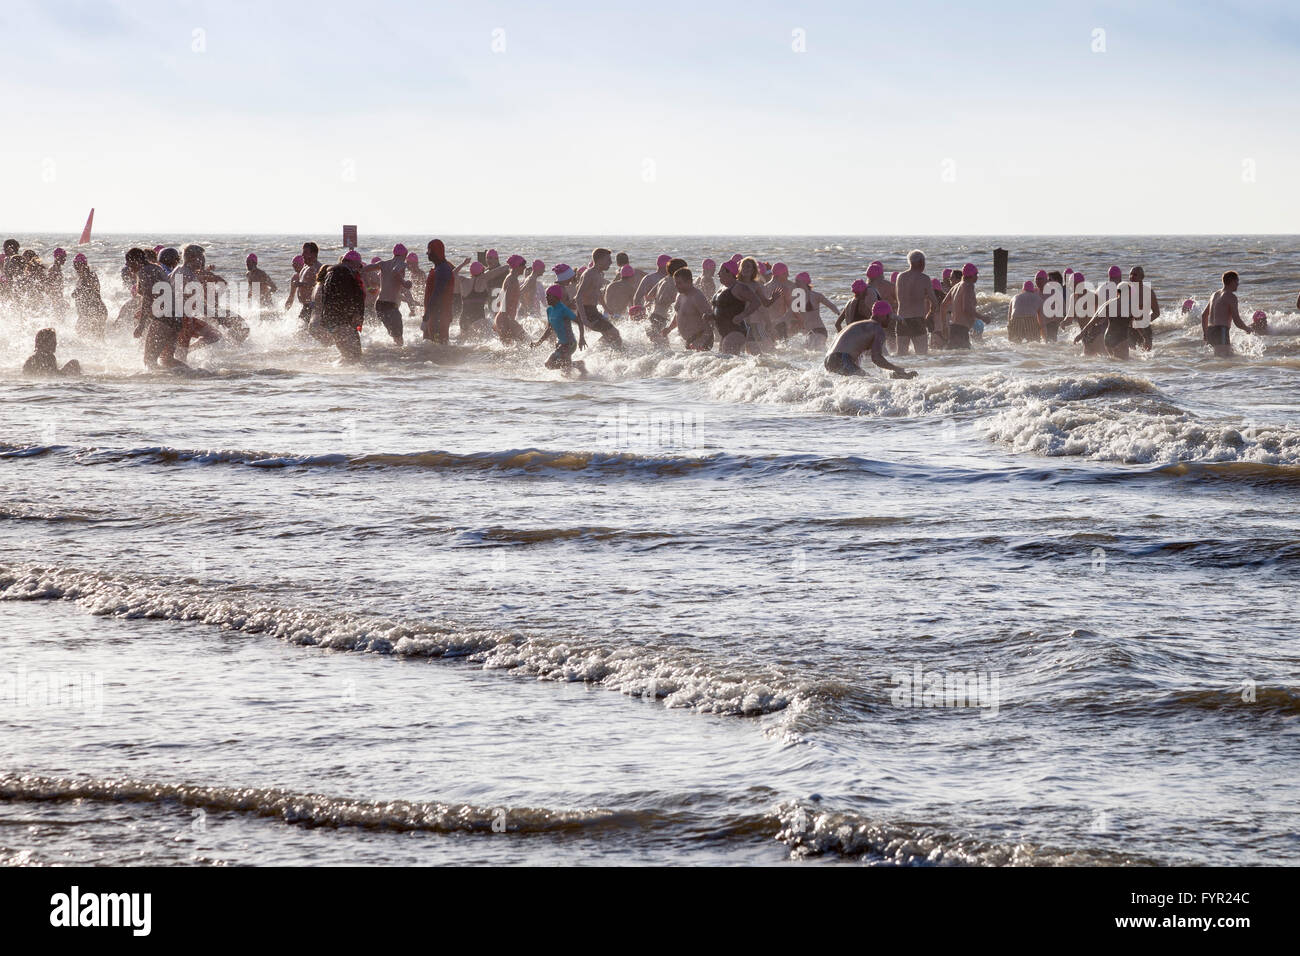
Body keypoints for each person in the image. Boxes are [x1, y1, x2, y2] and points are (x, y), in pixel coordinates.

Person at [824, 301, 916, 378]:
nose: (890, 320)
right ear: (883, 315)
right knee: (867, 381)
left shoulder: (860, 324)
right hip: (842, 359)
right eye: (889, 316)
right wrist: (897, 369)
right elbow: (876, 358)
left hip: (828, 359)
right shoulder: (877, 328)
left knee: (860, 382)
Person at [315, 251, 366, 362]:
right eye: (359, 265)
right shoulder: (344, 273)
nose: (359, 268)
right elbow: (349, 297)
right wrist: (355, 315)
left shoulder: (331, 273)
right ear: (352, 263)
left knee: (348, 354)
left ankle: (339, 376)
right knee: (354, 356)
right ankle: (346, 376)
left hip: (332, 321)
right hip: (342, 321)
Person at [532, 284, 587, 375]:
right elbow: (549, 328)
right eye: (546, 295)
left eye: (548, 296)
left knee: (558, 366)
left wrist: (582, 338)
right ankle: (577, 366)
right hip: (560, 344)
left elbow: (579, 322)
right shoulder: (549, 310)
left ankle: (578, 366)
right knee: (550, 365)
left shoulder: (564, 309)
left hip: (569, 344)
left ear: (556, 297)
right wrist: (539, 342)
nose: (546, 298)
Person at [574, 248, 624, 347]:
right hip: (587, 312)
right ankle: (608, 353)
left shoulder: (599, 274)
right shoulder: (589, 274)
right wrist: (584, 320)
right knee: (615, 334)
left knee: (609, 336)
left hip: (593, 311)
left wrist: (607, 309)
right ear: (600, 260)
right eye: (608, 260)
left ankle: (597, 353)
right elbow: (578, 297)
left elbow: (597, 293)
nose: (611, 262)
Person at [362, 244, 409, 344]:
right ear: (405, 254)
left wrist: (369, 287)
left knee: (394, 335)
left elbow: (363, 270)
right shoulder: (402, 263)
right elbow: (395, 271)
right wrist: (404, 283)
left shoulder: (383, 264)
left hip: (379, 305)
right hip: (390, 305)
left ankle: (389, 355)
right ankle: (398, 357)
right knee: (399, 339)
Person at [895, 250, 939, 355]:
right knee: (922, 354)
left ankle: (901, 371)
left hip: (901, 319)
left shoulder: (900, 277)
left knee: (901, 355)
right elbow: (935, 302)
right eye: (924, 262)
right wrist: (930, 314)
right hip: (917, 319)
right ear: (920, 262)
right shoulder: (924, 278)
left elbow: (898, 299)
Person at [1200, 270, 1252, 357]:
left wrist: (1205, 333)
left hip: (1210, 331)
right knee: (1224, 360)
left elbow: (1204, 315)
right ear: (1232, 281)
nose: (1238, 284)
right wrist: (1247, 329)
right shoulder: (1231, 297)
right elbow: (1237, 320)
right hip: (1221, 330)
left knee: (1223, 359)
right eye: (1237, 281)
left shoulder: (1214, 295)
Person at [664, 268, 715, 350]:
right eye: (675, 283)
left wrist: (702, 340)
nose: (676, 286)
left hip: (701, 338)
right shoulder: (680, 295)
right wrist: (669, 328)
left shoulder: (697, 296)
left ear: (689, 281)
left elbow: (710, 320)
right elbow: (679, 314)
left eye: (679, 283)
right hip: (690, 340)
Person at [422, 239, 457, 344]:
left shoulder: (443, 269)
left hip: (439, 316)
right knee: (429, 347)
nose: (427, 253)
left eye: (429, 250)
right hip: (432, 315)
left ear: (435, 251)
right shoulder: (437, 267)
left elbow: (437, 294)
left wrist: (426, 317)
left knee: (439, 348)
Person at [792, 271, 839, 347]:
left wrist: (841, 316)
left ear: (804, 282)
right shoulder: (796, 298)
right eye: (795, 281)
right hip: (809, 333)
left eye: (797, 281)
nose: (795, 284)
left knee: (814, 353)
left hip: (819, 330)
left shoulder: (816, 296)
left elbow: (832, 306)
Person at [711, 261, 749, 355]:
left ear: (729, 273)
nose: (718, 274)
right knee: (724, 363)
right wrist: (710, 316)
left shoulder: (738, 287)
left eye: (721, 271)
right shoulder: (722, 288)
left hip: (736, 331)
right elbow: (720, 309)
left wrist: (742, 315)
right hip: (725, 333)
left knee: (729, 360)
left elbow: (756, 302)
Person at [492, 254, 531, 344]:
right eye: (523, 265)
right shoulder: (513, 280)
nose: (525, 267)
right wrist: (506, 322)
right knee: (527, 343)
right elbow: (505, 301)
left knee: (510, 349)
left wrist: (496, 319)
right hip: (506, 319)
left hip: (502, 319)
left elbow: (498, 300)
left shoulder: (509, 277)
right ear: (517, 266)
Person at [942, 263, 980, 349]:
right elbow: (966, 308)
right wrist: (982, 317)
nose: (977, 277)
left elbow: (943, 305)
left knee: (955, 358)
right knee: (964, 358)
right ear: (971, 275)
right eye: (976, 274)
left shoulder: (955, 287)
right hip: (962, 330)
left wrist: (944, 325)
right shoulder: (968, 286)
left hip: (953, 328)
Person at [70, 253, 108, 338]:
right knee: (87, 339)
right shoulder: (82, 278)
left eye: (77, 266)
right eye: (75, 266)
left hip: (96, 312)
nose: (76, 269)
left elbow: (91, 290)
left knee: (96, 339)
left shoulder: (91, 276)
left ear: (84, 265)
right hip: (89, 314)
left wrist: (77, 292)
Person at [1123, 266, 1160, 351]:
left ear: (1142, 277)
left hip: (1144, 328)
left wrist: (1145, 321)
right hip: (1129, 329)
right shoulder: (1125, 291)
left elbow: (1156, 313)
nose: (1132, 277)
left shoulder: (1149, 292)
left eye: (1135, 274)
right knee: (1130, 356)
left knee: (1146, 356)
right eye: (1130, 274)